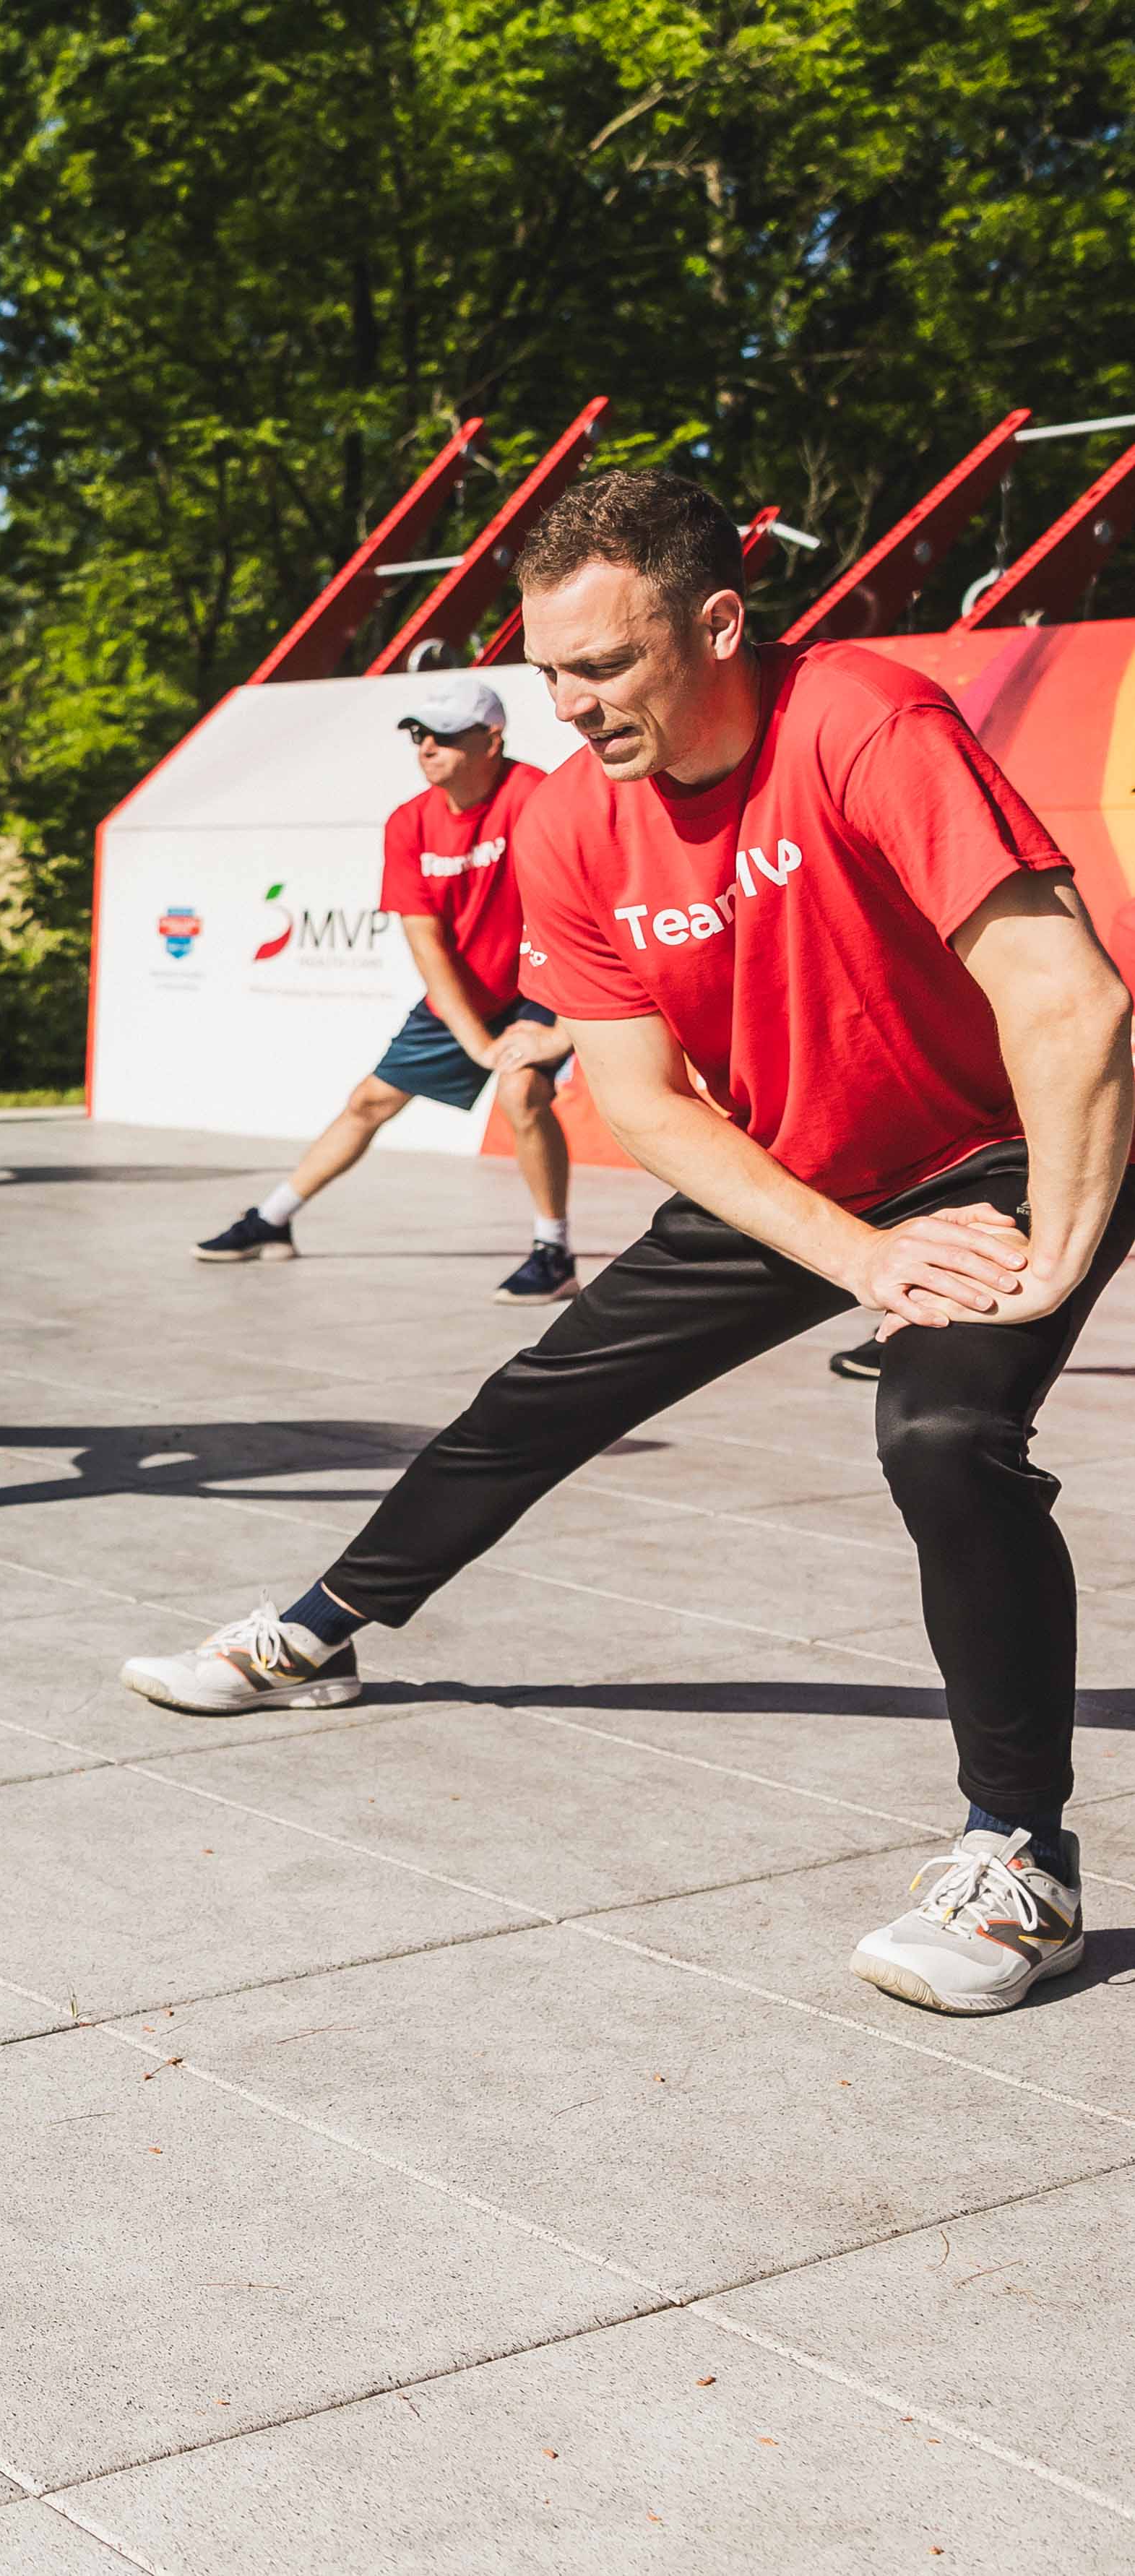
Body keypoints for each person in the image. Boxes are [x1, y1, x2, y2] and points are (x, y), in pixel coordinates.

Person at [121, 470, 1134, 2017]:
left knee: (941, 1431)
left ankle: (1020, 1865)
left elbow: (1069, 1000)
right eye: (547, 672)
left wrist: (1052, 1249)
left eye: (603, 664)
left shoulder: (861, 723)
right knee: (540, 1394)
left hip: (995, 1143)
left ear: (717, 621)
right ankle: (321, 1630)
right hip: (799, 1169)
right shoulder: (574, 826)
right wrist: (857, 1255)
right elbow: (646, 1106)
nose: (571, 704)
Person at [192, 672, 582, 1302]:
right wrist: (478, 1043)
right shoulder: (408, 823)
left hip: (549, 976)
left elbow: (590, 906)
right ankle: (271, 1220)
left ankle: (552, 1250)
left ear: (491, 739)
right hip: (466, 992)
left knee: (521, 1093)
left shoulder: (539, 797)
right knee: (367, 1102)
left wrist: (564, 1028)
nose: (426, 747)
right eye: (418, 735)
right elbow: (426, 946)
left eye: (445, 736)